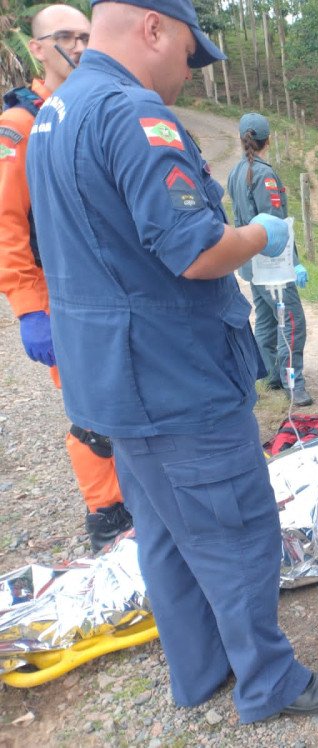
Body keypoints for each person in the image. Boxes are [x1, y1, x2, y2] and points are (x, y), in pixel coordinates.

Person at [26, 0, 318, 722]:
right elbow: (197, 249)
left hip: (114, 381)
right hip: (175, 375)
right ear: (151, 27)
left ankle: (198, 672)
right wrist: (258, 235)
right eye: (187, 52)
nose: (188, 73)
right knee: (235, 529)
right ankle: (269, 683)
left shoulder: (55, 112)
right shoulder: (133, 114)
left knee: (167, 535)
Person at [0, 4, 133, 552]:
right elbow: (6, 219)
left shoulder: (91, 110)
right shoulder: (21, 124)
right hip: (61, 299)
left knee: (125, 398)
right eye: (65, 38)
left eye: (86, 36)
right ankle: (107, 516)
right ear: (37, 48)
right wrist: (29, 307)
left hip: (109, 291)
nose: (78, 46)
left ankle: (136, 500)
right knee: (93, 411)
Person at [227, 112, 312, 407]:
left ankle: (271, 374)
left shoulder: (236, 172)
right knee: (292, 321)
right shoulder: (263, 175)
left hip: (250, 263)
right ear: (268, 140)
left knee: (264, 318)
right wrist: (295, 262)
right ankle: (293, 382)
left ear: (242, 140)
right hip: (273, 265)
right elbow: (275, 227)